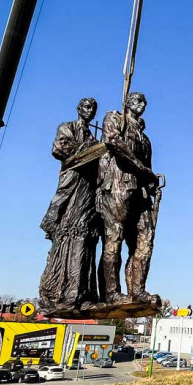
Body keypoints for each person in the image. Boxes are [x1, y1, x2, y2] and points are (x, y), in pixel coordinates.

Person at [39, 97, 101, 313]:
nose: (90, 111)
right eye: (86, 106)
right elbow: (60, 149)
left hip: (87, 190)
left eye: (93, 108)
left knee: (84, 239)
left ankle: (80, 293)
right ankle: (59, 292)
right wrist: (90, 149)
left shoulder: (94, 136)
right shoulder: (67, 127)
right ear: (78, 109)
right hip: (72, 185)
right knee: (67, 235)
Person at [98, 92, 159, 303]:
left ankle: (137, 291)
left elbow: (148, 168)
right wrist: (139, 166)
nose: (142, 105)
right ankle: (111, 292)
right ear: (128, 102)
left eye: (145, 102)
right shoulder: (115, 118)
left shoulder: (146, 140)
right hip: (118, 185)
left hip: (140, 193)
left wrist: (153, 184)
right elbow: (112, 140)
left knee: (146, 238)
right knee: (114, 238)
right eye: (138, 101)